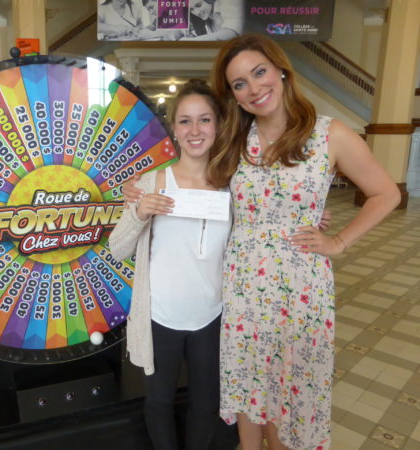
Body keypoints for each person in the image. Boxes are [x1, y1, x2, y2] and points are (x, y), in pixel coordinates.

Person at [208, 34, 400, 449]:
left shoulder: (329, 134)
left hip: (299, 287)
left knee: (288, 389)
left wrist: (339, 241)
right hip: (243, 284)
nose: (254, 88)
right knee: (248, 379)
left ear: (281, 70)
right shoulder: (234, 138)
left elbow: (387, 193)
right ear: (233, 96)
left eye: (259, 72)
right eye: (240, 83)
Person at [109, 79, 232, 450]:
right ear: (174, 129)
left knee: (206, 403)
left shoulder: (232, 184)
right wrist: (139, 213)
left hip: (212, 315)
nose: (195, 130)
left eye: (204, 120)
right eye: (185, 121)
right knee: (160, 400)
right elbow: (117, 249)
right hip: (159, 316)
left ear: (218, 126)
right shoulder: (152, 182)